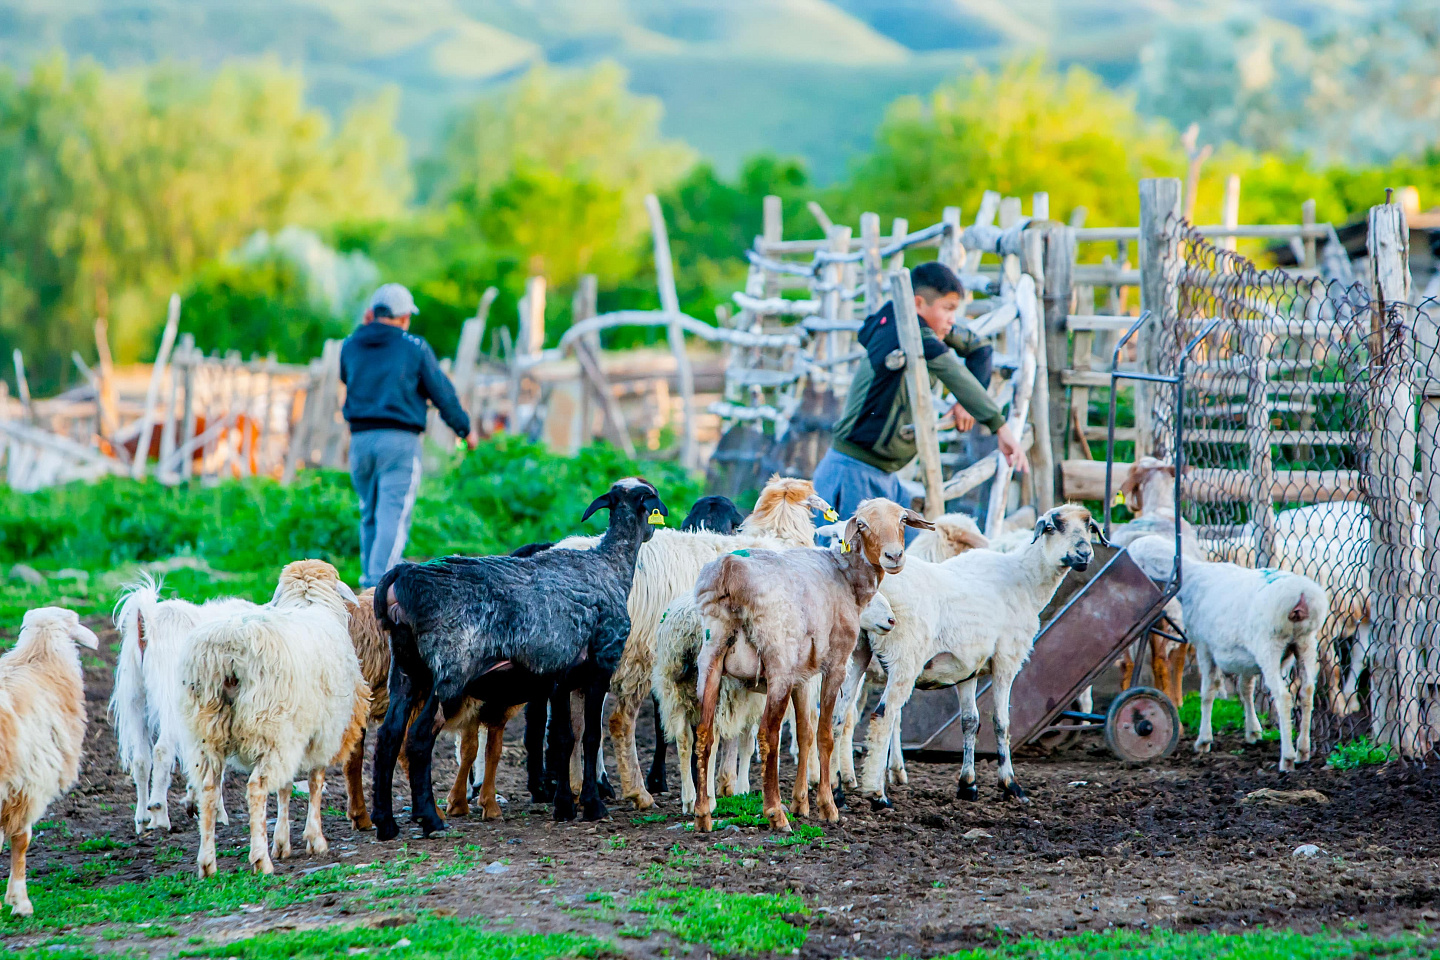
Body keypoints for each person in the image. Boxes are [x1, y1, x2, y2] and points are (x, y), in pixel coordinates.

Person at [815, 260, 1028, 524]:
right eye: (947, 309)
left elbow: (979, 348)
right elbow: (951, 369)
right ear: (918, 304)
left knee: (908, 546)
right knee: (845, 550)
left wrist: (964, 404)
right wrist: (999, 426)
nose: (952, 319)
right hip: (852, 472)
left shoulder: (917, 328)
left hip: (885, 475)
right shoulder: (902, 331)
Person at [341, 283, 478, 588]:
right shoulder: (414, 347)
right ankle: (376, 586)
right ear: (404, 317)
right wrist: (465, 430)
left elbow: (345, 375)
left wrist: (364, 332)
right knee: (393, 513)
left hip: (360, 442)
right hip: (399, 442)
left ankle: (368, 580)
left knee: (369, 513)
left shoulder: (350, 344)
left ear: (372, 314)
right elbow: (442, 394)